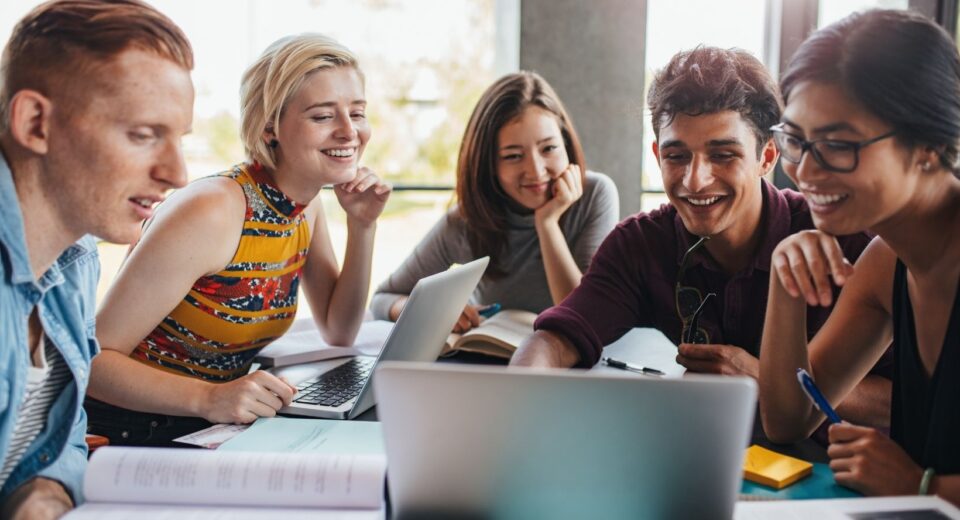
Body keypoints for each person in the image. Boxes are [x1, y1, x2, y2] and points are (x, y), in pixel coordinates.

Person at [510, 47, 890, 431]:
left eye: (723, 155)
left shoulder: (847, 241)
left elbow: (905, 404)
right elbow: (554, 340)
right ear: (657, 155)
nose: (695, 180)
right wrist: (516, 408)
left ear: (767, 156)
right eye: (676, 157)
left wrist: (762, 378)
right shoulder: (639, 243)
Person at [87, 33, 391, 445]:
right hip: (132, 431)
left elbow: (339, 330)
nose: (348, 131)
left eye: (356, 113)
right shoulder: (212, 209)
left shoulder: (306, 204)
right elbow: (94, 362)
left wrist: (363, 225)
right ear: (270, 129)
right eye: (322, 117)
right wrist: (211, 398)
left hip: (209, 426)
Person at [0, 0, 194, 516]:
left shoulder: (76, 258)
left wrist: (43, 494)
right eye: (143, 135)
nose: (177, 174)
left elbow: (57, 439)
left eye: (179, 138)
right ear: (35, 122)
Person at [759, 9, 960, 503]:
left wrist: (921, 487)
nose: (804, 171)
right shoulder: (885, 263)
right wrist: (785, 283)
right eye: (795, 141)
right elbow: (787, 420)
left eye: (835, 144)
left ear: (929, 145)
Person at [370, 71, 619, 333]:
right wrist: (434, 312)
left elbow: (582, 315)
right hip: (490, 364)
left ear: (566, 144)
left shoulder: (595, 194)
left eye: (549, 148)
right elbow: (382, 299)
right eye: (513, 156)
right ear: (489, 164)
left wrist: (547, 223)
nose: (535, 171)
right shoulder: (466, 221)